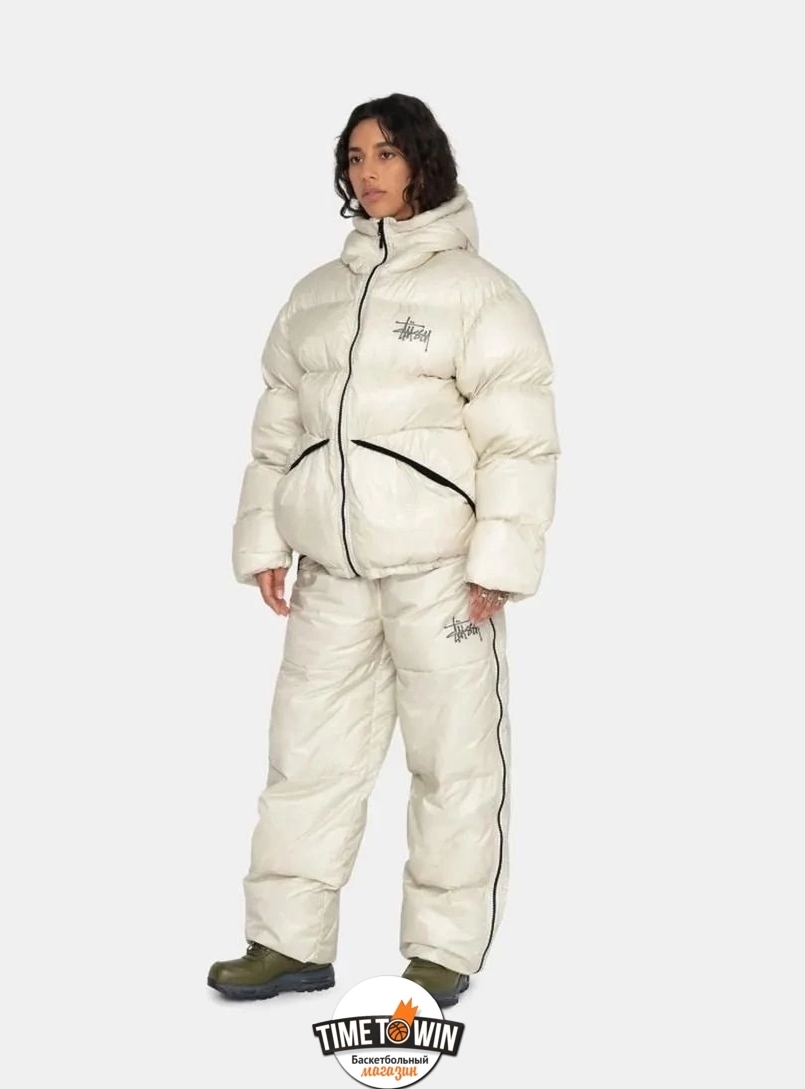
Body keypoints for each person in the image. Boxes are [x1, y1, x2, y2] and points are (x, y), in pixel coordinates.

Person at [207, 93, 560, 1008]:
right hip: (331, 574)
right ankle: (286, 942)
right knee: (306, 760)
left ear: (423, 163)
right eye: (355, 156)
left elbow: (519, 440)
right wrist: (265, 537)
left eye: (386, 154)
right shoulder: (315, 295)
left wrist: (498, 562)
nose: (367, 172)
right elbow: (276, 430)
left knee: (453, 764)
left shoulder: (478, 293)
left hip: (441, 575)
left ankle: (442, 949)